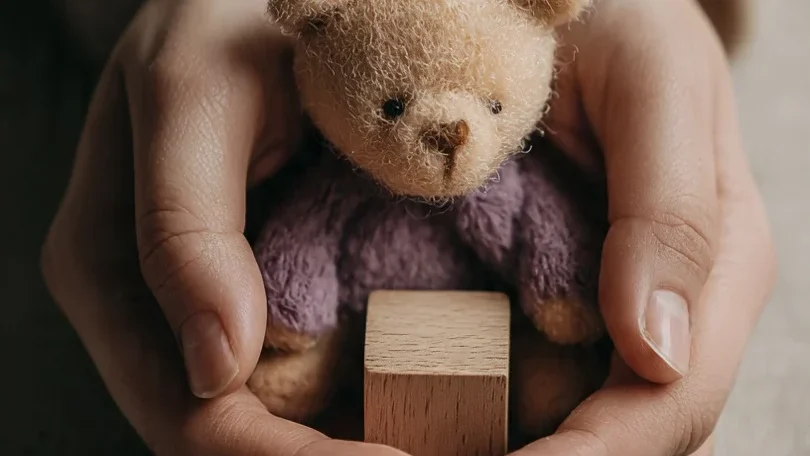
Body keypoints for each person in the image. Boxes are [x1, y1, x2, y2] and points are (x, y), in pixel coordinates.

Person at [41, 0, 776, 454]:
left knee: (557, 369)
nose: (452, 135)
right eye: (392, 107)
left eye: (488, 106)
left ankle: (546, 378)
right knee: (285, 361)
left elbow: (543, 246)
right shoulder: (332, 185)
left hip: (497, 323)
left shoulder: (516, 181)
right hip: (360, 329)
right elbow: (302, 253)